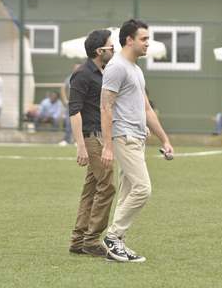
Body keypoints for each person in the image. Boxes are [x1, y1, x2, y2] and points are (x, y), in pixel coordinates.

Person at [101, 19, 174, 263]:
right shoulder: (117, 67)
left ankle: (116, 245)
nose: (147, 44)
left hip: (138, 138)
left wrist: (164, 139)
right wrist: (108, 146)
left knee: (128, 193)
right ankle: (112, 237)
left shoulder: (136, 69)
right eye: (143, 39)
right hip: (124, 136)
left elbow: (147, 109)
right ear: (129, 39)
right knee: (143, 189)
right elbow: (106, 107)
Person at [68, 29, 116, 257]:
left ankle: (78, 240)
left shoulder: (103, 73)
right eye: (110, 46)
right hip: (92, 138)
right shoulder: (82, 74)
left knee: (91, 190)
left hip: (99, 136)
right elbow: (74, 111)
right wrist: (81, 146)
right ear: (100, 51)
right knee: (107, 187)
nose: (113, 49)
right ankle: (91, 239)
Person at [58, 64, 81, 146]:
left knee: (80, 123)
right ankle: (66, 140)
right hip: (71, 103)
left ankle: (77, 141)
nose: (77, 69)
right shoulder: (69, 78)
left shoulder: (84, 77)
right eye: (75, 68)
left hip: (81, 104)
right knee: (68, 122)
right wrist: (65, 100)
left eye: (79, 68)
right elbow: (63, 88)